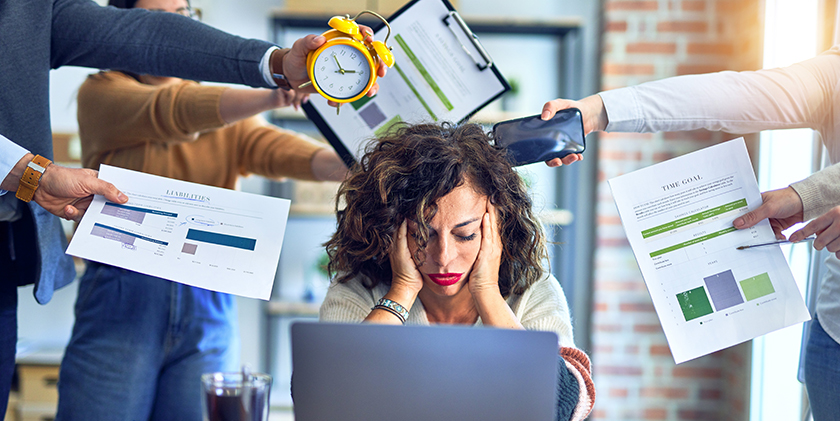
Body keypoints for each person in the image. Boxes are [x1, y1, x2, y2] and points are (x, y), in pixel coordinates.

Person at [0, 0, 385, 416]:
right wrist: (274, 95)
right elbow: (172, 110)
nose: (172, 27)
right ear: (122, 22)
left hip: (208, 297)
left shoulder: (226, 109)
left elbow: (285, 152)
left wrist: (367, 160)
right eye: (154, 16)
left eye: (183, 15)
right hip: (123, 293)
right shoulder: (102, 92)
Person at [541, 44, 840, 420]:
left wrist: (805, 195)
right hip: (835, 335)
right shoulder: (834, 74)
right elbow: (728, 96)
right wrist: (599, 111)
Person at [319, 123, 595, 421]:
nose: (443, 259)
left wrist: (487, 292)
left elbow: (560, 408)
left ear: (497, 227)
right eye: (421, 235)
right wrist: (400, 292)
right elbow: (323, 399)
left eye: (465, 235)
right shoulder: (359, 288)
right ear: (390, 228)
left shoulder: (531, 290)